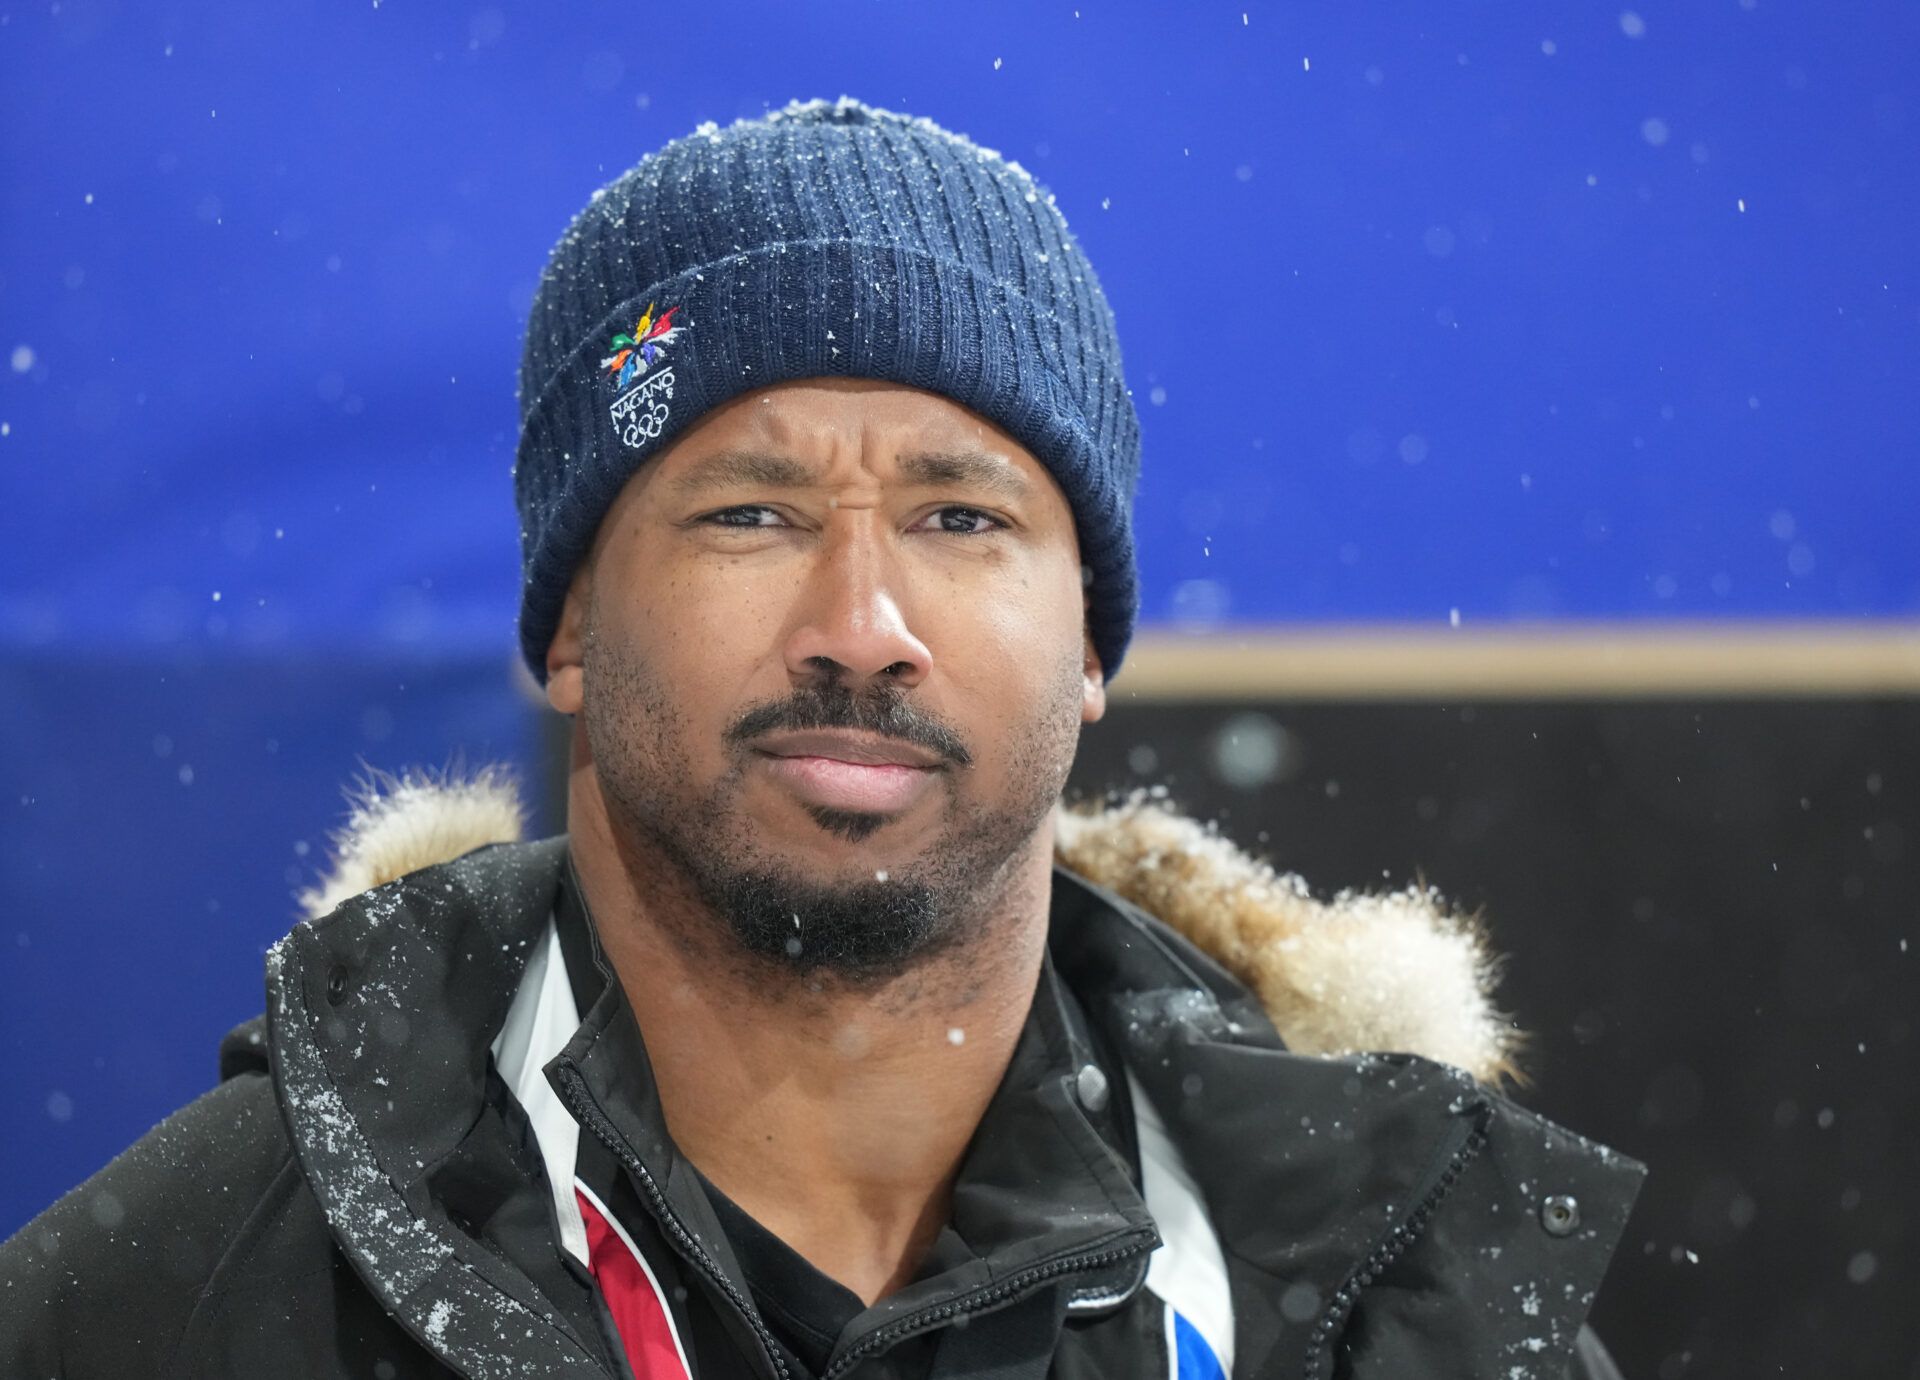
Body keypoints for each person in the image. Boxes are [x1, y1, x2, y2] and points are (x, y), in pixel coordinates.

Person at [1, 97, 1643, 1379]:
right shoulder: (166, 1304)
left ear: (1088, 645)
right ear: (569, 623)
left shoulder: (1398, 1301)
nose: (863, 621)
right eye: (750, 511)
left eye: (959, 514)